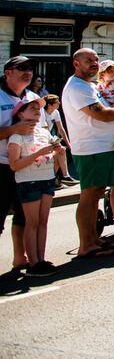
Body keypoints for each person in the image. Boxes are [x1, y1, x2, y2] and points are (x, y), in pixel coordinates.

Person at [61, 48, 114, 258]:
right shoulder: (77, 86)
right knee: (90, 195)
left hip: (102, 147)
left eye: (96, 59)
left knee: (95, 194)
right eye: (88, 60)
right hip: (91, 148)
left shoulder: (87, 85)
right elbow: (99, 113)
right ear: (76, 63)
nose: (94, 63)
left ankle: (92, 239)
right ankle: (86, 245)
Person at [6, 97, 62, 277]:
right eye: (32, 108)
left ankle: (41, 259)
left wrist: (57, 152)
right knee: (32, 223)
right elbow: (14, 165)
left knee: (43, 222)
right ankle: (33, 263)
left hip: (46, 178)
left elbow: (51, 157)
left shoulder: (43, 133)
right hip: (28, 182)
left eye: (38, 108)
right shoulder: (16, 136)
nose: (38, 110)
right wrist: (39, 153)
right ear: (20, 113)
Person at [2, 55, 42, 271]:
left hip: (28, 167)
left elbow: (41, 129)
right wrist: (12, 130)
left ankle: (20, 257)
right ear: (8, 72)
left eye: (30, 68)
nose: (28, 72)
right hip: (1, 165)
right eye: (22, 68)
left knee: (23, 215)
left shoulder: (34, 97)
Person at [40, 95, 77, 187]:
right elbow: (44, 130)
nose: (59, 103)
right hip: (43, 139)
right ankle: (59, 177)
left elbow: (61, 129)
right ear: (49, 105)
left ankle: (60, 177)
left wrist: (69, 144)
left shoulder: (56, 112)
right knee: (59, 151)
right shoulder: (42, 113)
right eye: (57, 102)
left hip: (50, 138)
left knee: (61, 151)